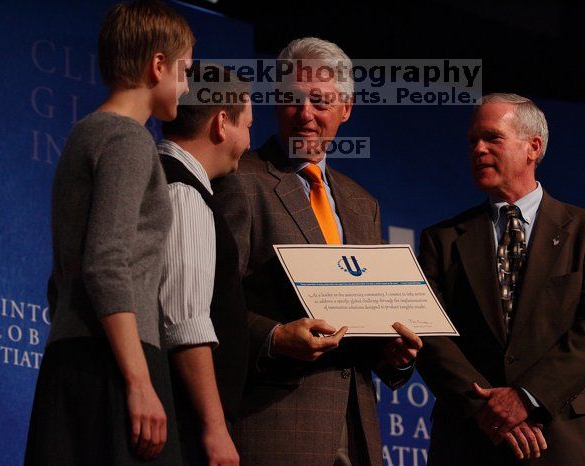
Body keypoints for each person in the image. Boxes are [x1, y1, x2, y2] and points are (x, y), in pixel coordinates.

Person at [211, 37, 423, 466]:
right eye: (293, 99)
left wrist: (395, 356)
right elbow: (209, 301)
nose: (306, 115)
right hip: (274, 427)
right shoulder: (241, 180)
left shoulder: (363, 203)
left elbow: (367, 313)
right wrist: (272, 339)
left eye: (320, 101)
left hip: (357, 429)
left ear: (346, 108)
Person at [24, 1, 194, 464]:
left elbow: (63, 282)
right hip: (116, 365)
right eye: (184, 70)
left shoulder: (83, 134)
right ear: (157, 65)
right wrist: (140, 382)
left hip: (74, 361)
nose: (186, 85)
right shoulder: (128, 139)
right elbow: (105, 262)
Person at [417, 93, 585, 465]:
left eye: (492, 138)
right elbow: (429, 333)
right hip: (471, 438)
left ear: (533, 147)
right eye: (472, 141)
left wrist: (526, 397)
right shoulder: (443, 240)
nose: (478, 149)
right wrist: (487, 407)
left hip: (565, 436)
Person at [157, 70, 252, 466]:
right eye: (248, 126)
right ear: (221, 123)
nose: (248, 141)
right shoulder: (183, 193)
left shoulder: (164, 180)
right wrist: (214, 429)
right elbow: (185, 322)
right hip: (185, 429)